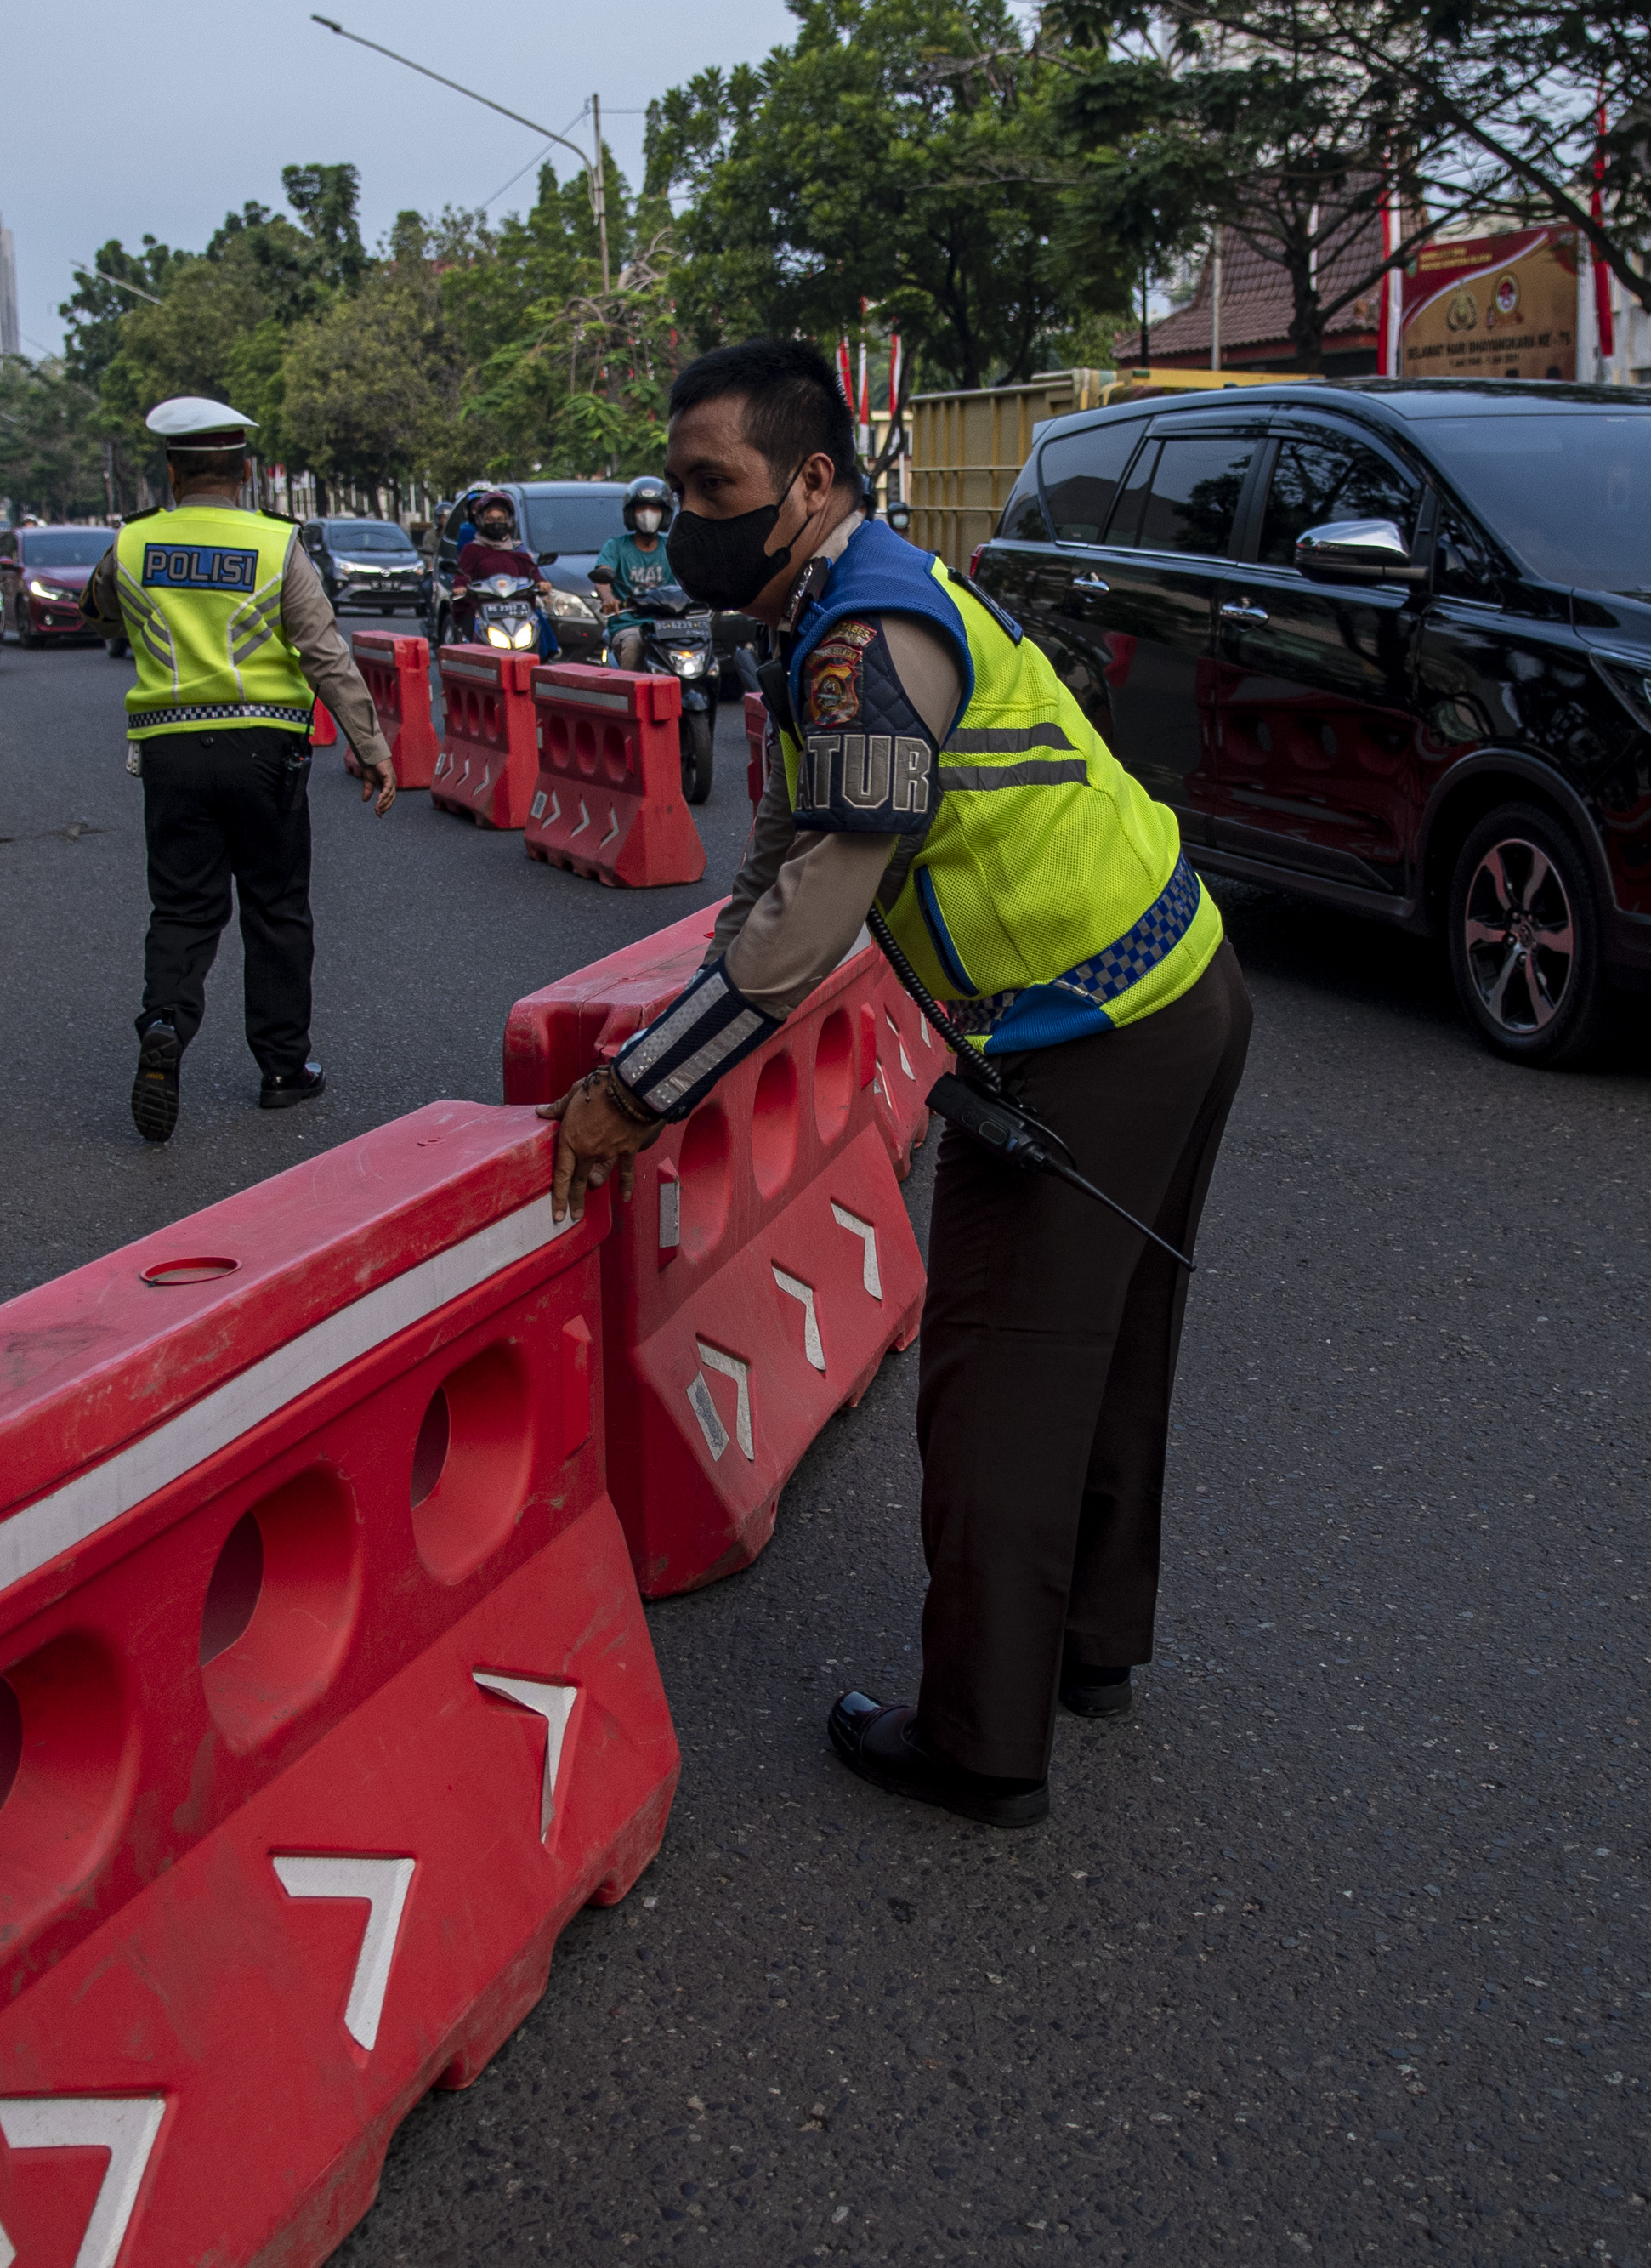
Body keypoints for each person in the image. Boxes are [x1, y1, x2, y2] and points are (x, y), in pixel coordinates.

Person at [540, 338, 1254, 1830]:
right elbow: (776, 868)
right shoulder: (830, 611)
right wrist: (692, 1002)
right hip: (1171, 982)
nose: (687, 518)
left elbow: (811, 923)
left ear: (811, 479)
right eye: (673, 490)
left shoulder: (865, 633)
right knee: (1108, 1347)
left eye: (713, 484)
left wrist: (636, 1092)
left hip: (1093, 1031)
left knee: (994, 1382)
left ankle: (983, 1738)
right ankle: (1089, 1649)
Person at [82, 395, 395, 1142]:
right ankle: (284, 1071)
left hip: (171, 751)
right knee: (276, 909)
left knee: (184, 907)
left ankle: (165, 1020)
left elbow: (96, 609)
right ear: (245, 470)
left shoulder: (132, 544)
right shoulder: (274, 545)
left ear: (171, 471)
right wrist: (371, 744)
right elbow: (325, 652)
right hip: (267, 750)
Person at [450, 491, 556, 657]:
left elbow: (532, 571)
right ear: (480, 521)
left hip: (518, 610)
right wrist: (461, 587)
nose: (496, 523)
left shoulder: (518, 550)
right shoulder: (471, 550)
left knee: (540, 629)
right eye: (491, 519)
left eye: (500, 519)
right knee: (469, 640)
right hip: (484, 610)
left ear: (509, 521)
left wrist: (541, 583)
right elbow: (462, 574)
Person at [593, 474, 682, 669]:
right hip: (630, 624)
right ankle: (631, 697)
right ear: (631, 513)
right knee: (633, 645)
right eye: (642, 507)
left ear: (664, 513)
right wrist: (608, 598)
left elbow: (693, 576)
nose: (648, 514)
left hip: (670, 625)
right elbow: (602, 576)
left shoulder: (673, 547)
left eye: (654, 508)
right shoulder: (615, 547)